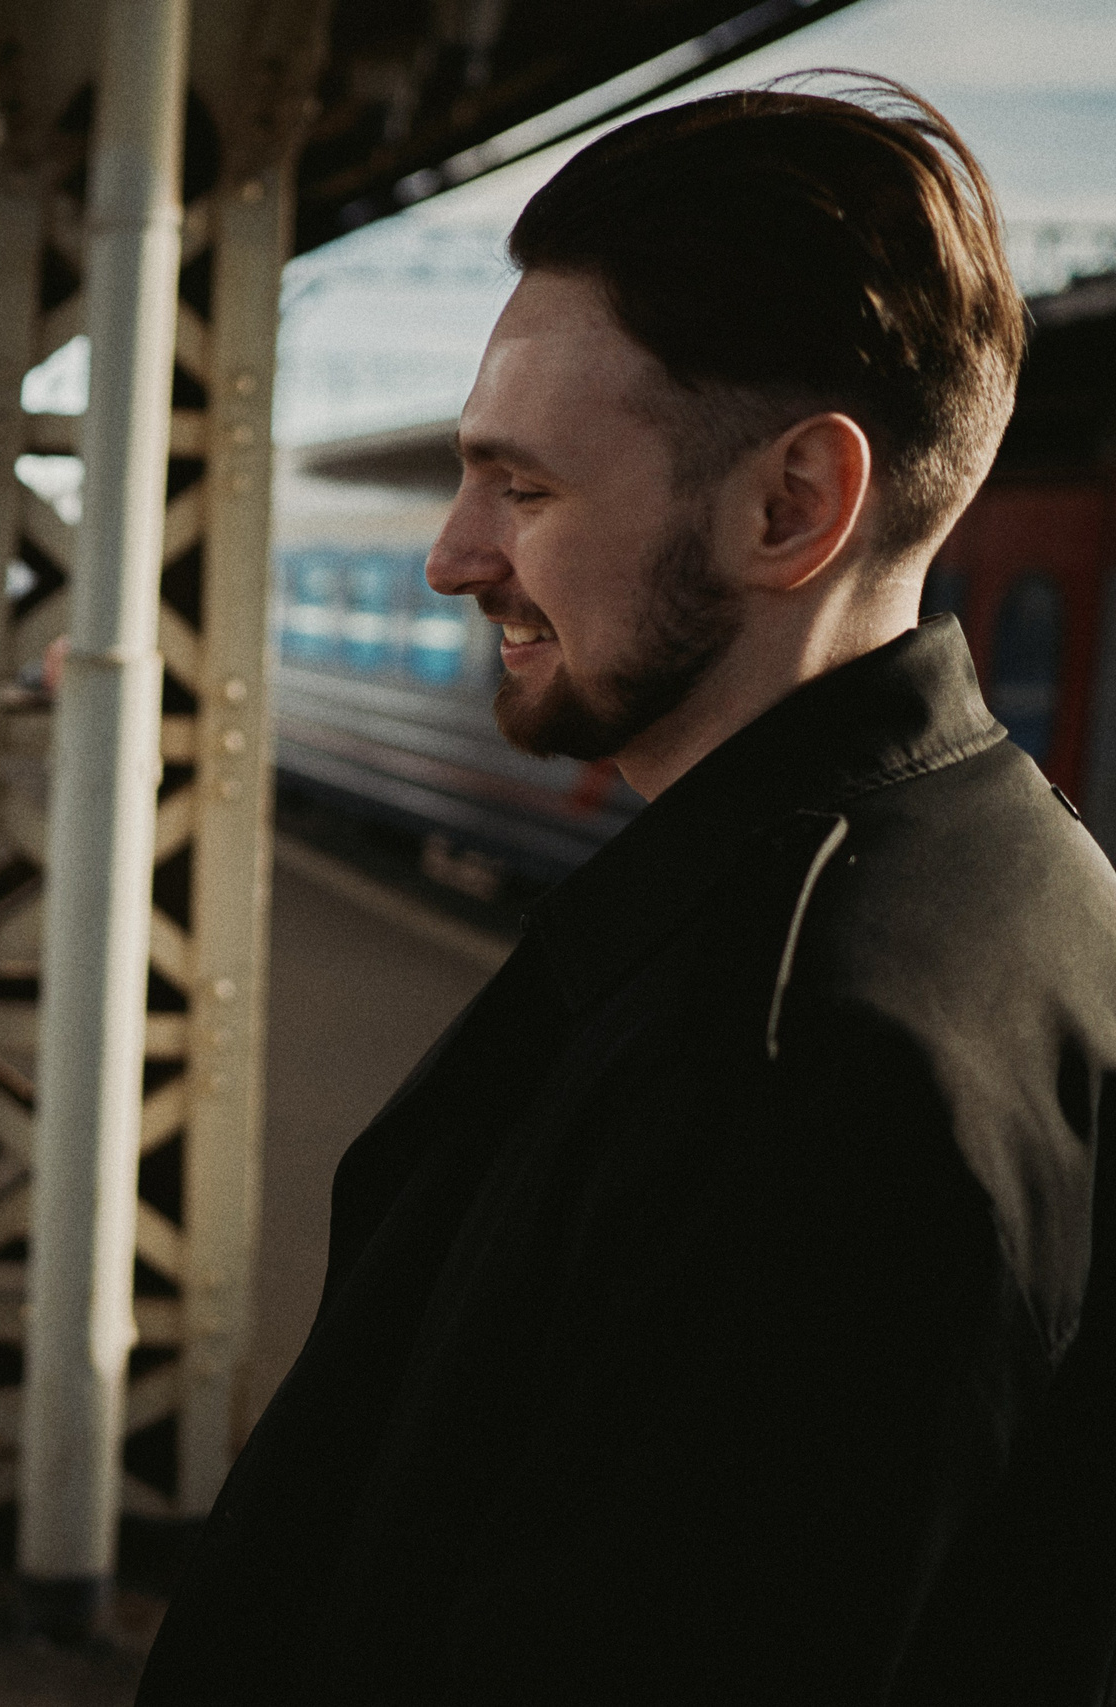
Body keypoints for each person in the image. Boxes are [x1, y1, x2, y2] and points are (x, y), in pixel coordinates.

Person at [138, 78, 1116, 1705]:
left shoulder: (802, 1062)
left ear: (792, 503)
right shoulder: (1016, 883)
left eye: (521, 487)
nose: (455, 555)